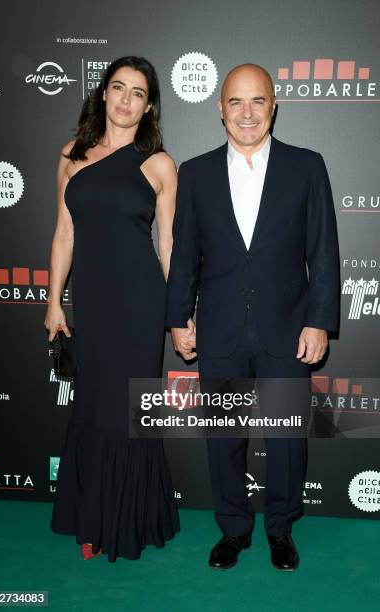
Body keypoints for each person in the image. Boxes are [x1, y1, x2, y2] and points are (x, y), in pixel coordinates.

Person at [166, 64, 340, 571]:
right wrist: (178, 317)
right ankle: (233, 530)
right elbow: (184, 256)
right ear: (220, 108)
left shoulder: (307, 166)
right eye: (236, 102)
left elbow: (323, 250)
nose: (247, 113)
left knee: (287, 438)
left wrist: (318, 320)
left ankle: (281, 530)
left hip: (287, 328)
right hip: (219, 328)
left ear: (274, 106)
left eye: (257, 101)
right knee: (224, 437)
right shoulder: (194, 172)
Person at [44, 56, 180, 562]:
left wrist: (178, 316)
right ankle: (91, 519)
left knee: (130, 412)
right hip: (93, 303)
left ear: (148, 107)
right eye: (118, 88)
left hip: (140, 304)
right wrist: (54, 301)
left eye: (138, 93)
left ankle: (129, 521)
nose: (126, 99)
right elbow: (64, 233)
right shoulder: (71, 154)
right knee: (94, 405)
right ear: (102, 94)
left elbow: (168, 247)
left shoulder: (159, 164)